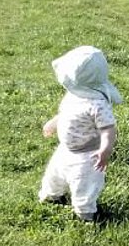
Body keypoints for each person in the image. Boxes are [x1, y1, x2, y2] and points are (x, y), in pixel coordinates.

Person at [38, 45, 122, 222]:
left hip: (87, 156)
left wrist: (106, 149)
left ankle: (85, 213)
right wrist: (53, 123)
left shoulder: (98, 104)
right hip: (65, 149)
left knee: (84, 185)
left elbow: (108, 128)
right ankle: (52, 197)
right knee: (53, 175)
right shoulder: (73, 95)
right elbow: (65, 113)